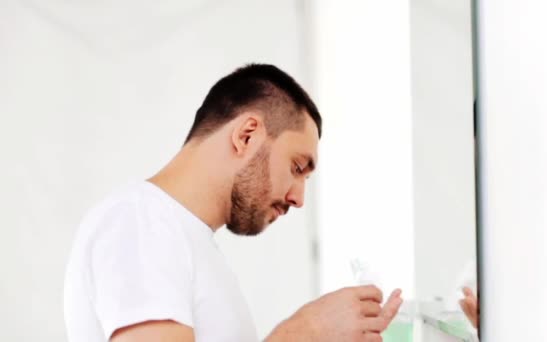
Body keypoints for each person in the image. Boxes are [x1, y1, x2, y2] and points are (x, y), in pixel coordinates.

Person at [64, 64, 403, 342]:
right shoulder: (141, 221)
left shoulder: (182, 238)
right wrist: (303, 334)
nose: (299, 198)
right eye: (297, 167)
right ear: (247, 135)